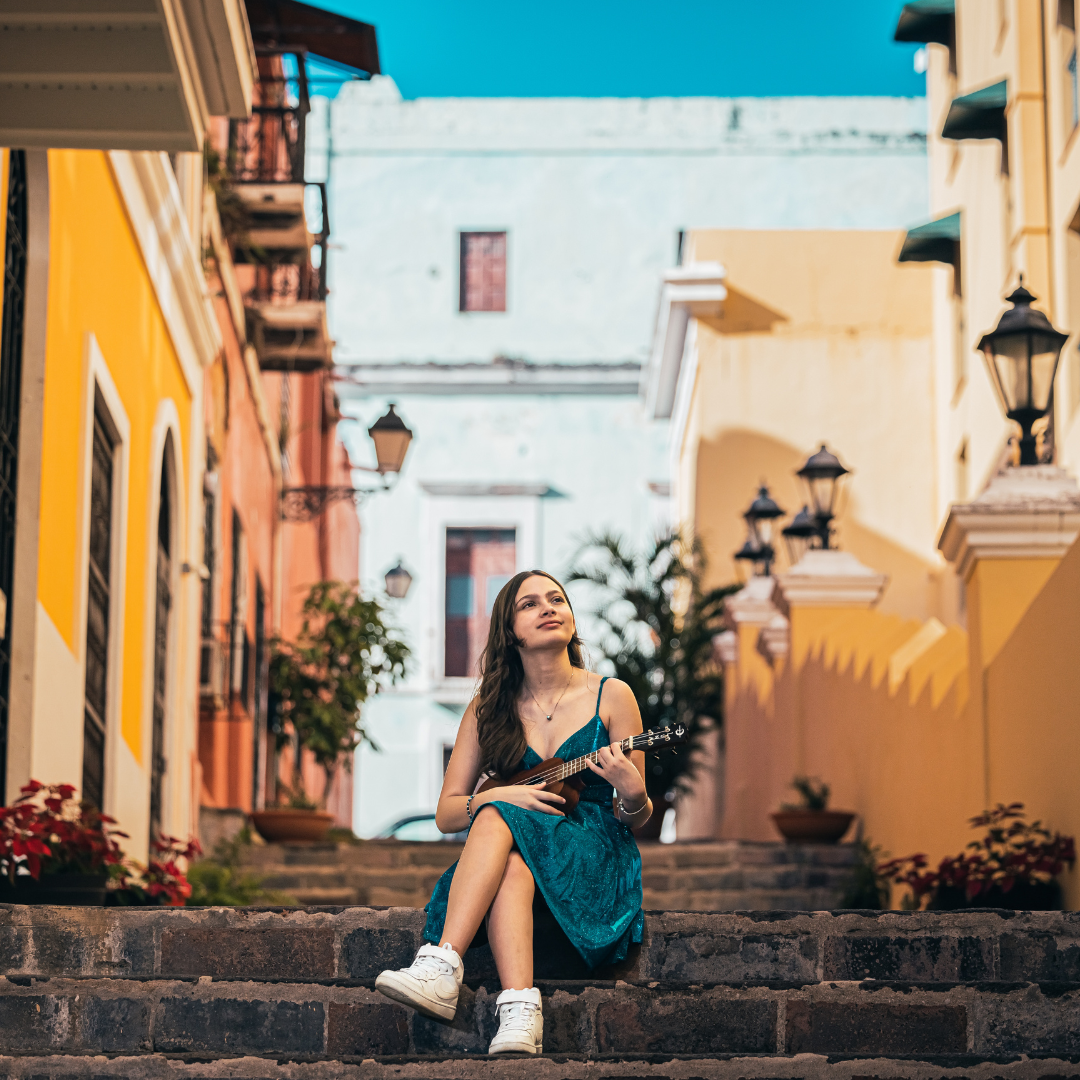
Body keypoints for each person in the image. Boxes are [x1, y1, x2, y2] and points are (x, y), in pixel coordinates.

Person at [375, 569, 651, 1055]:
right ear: (510, 631)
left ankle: (443, 965)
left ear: (569, 617)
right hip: (513, 850)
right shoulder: (488, 708)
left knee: (498, 818)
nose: (548, 608)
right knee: (508, 843)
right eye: (530, 604)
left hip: (590, 848)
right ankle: (521, 1008)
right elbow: (446, 814)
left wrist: (632, 793)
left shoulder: (612, 695)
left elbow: (635, 816)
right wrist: (498, 796)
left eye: (557, 599)